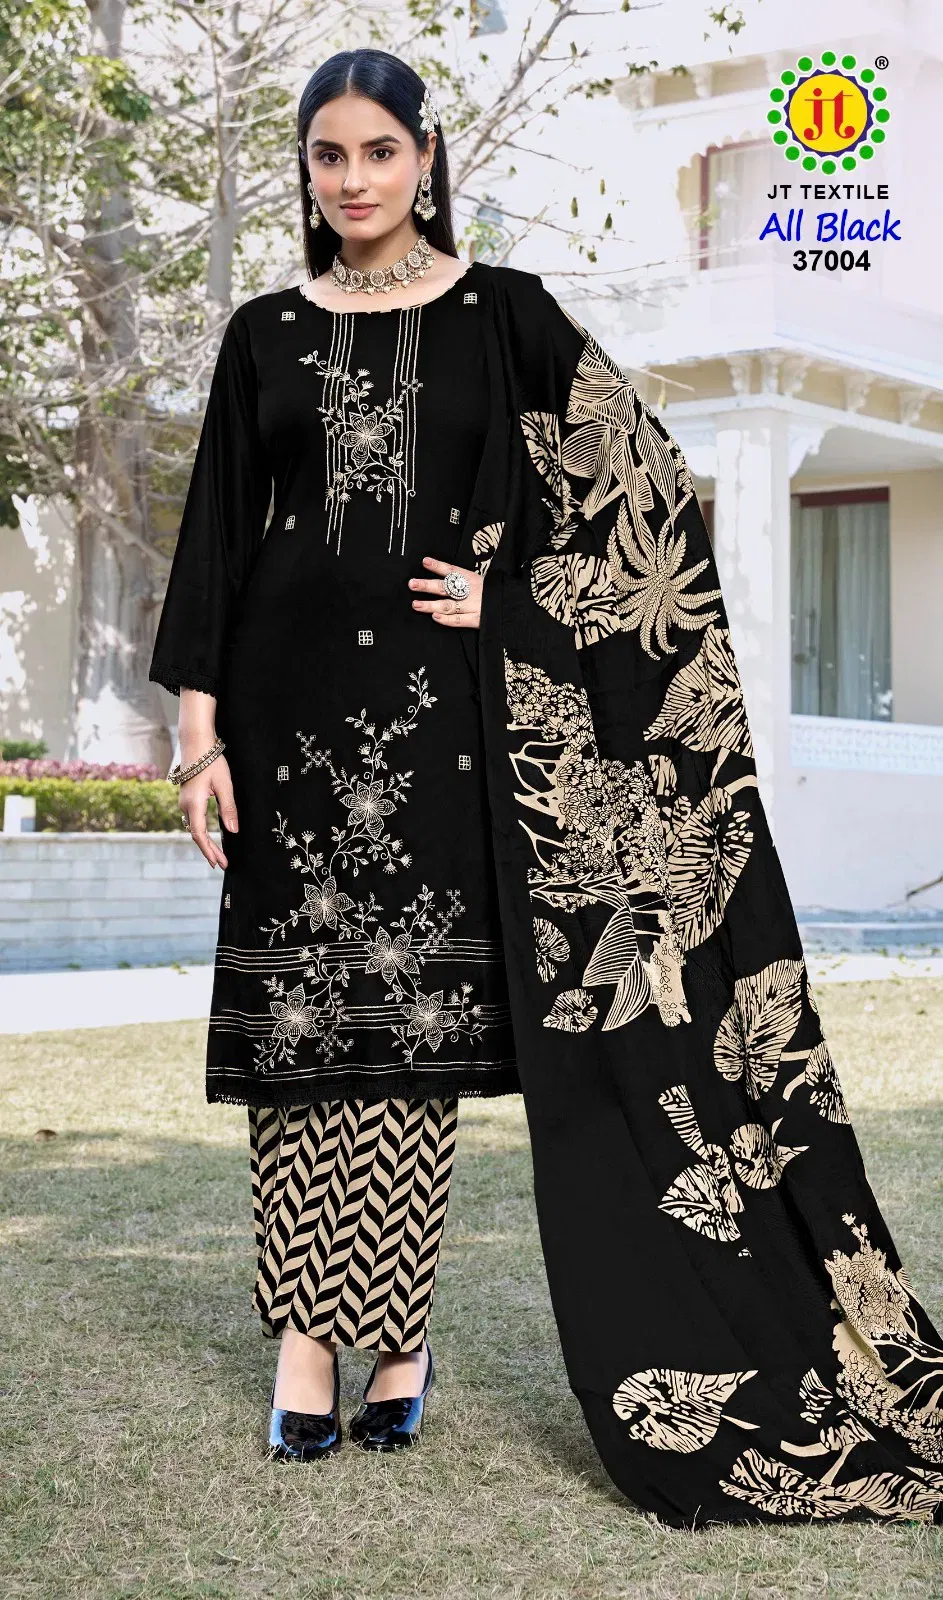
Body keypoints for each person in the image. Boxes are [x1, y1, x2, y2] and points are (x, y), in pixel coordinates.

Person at [150, 48, 943, 1525]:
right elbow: (218, 531)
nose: (353, 180)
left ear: (426, 156)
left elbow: (643, 496)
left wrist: (517, 600)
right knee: (302, 1038)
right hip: (288, 724)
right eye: (327, 155)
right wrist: (200, 732)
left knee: (412, 1050)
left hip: (448, 729)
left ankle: (395, 1341)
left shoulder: (503, 317)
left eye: (379, 151)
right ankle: (307, 1348)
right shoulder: (263, 333)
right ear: (306, 170)